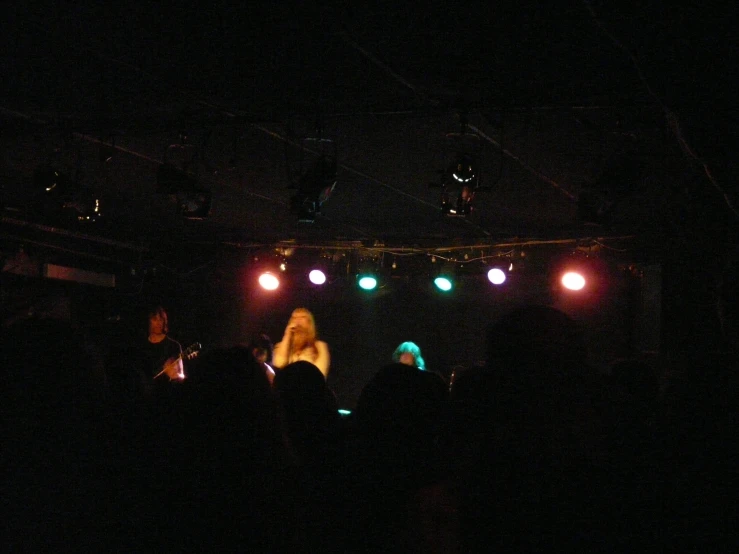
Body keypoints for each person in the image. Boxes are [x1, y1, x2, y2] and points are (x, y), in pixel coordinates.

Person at [272, 308, 330, 378]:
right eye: (294, 317)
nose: (298, 320)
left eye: (303, 317)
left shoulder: (320, 346)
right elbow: (279, 363)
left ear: (309, 323)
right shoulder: (282, 346)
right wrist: (287, 335)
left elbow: (320, 374)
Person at [143, 305, 185, 381]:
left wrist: (174, 374)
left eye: (161, 319)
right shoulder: (142, 346)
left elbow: (182, 376)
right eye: (155, 319)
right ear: (149, 321)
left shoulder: (174, 346)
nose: (158, 323)